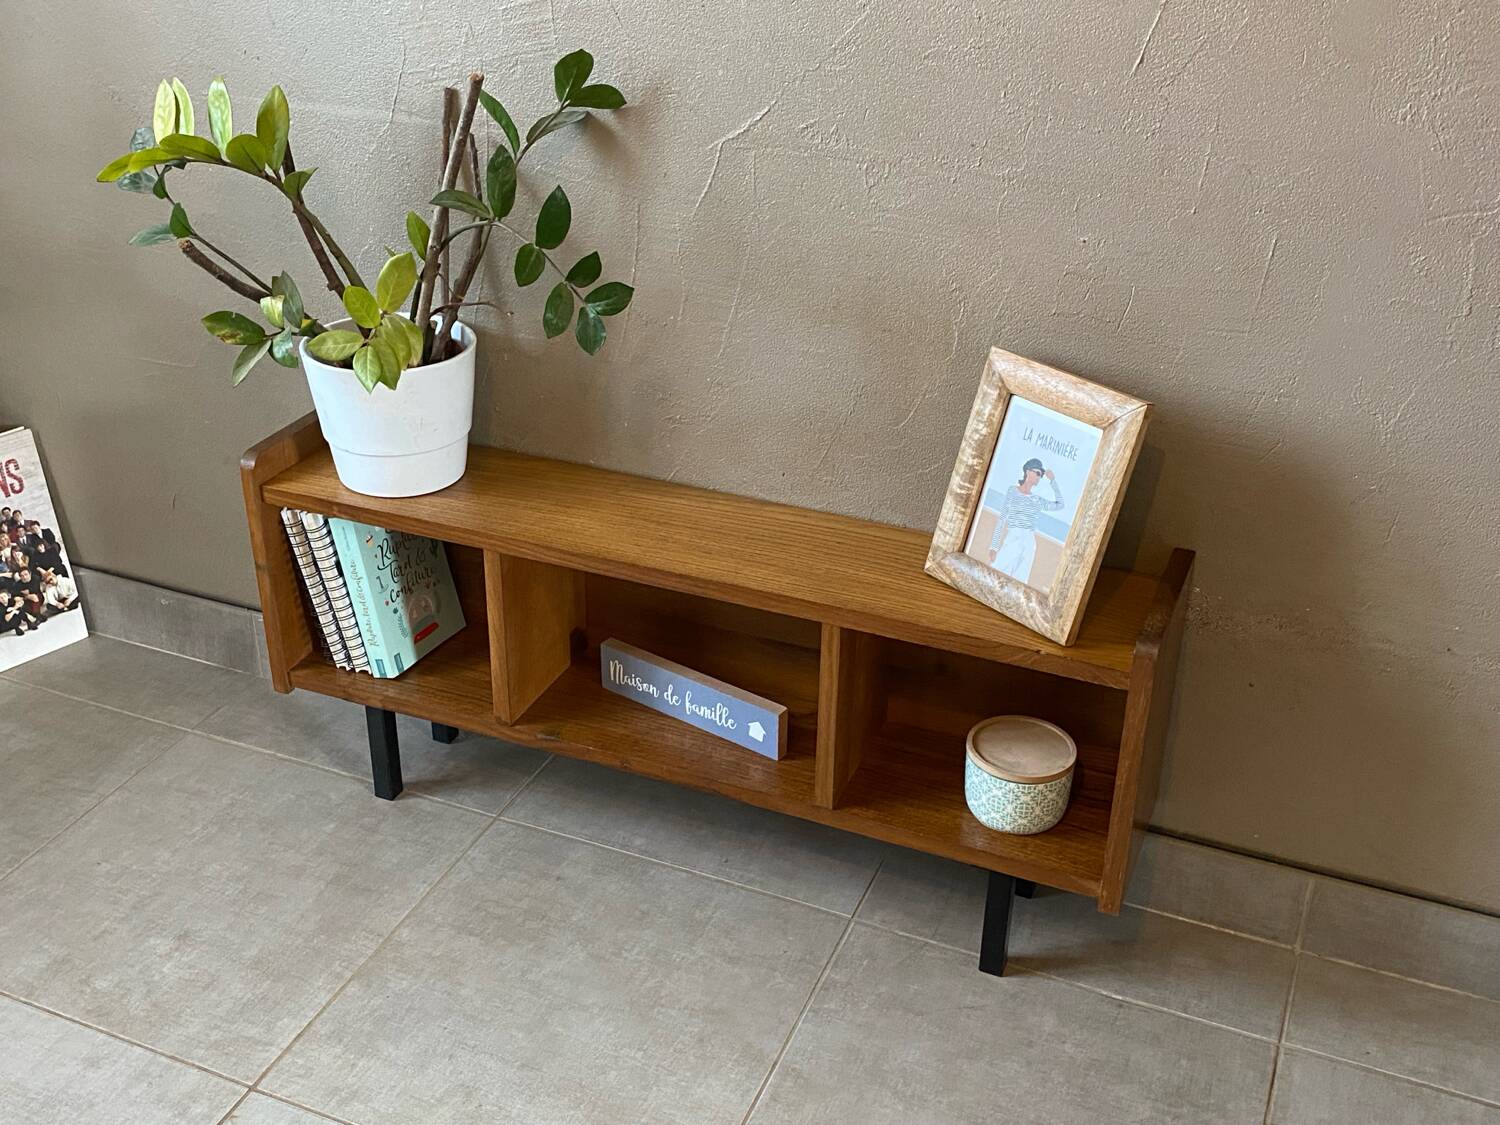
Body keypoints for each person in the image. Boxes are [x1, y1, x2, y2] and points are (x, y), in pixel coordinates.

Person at [987, 457, 1065, 584]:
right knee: (995, 575)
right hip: (1013, 537)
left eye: (1041, 475)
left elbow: (1060, 504)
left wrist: (1053, 481)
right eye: (1038, 473)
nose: (1039, 477)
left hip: (1029, 541)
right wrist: (994, 547)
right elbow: (1002, 519)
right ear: (1028, 472)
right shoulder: (1012, 491)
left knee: (1019, 581)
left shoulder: (1037, 500)